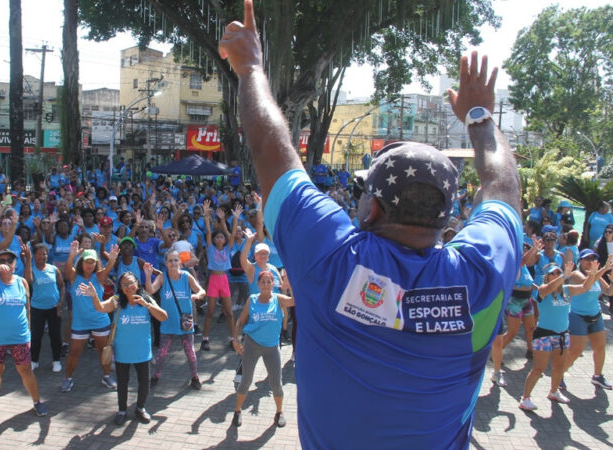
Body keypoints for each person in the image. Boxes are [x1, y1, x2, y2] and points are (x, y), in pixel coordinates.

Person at [218, 4, 522, 446]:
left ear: (371, 210)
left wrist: (249, 68)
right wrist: (479, 119)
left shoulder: (331, 259)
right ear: (444, 216)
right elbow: (504, 185)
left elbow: (269, 145)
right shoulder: (484, 270)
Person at [518, 259, 609, 410]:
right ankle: (525, 398)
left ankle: (554, 392)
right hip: (544, 335)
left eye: (557, 272)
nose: (555, 275)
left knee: (559, 367)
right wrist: (563, 276)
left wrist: (595, 274)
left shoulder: (567, 289)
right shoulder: (542, 290)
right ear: (546, 277)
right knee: (538, 368)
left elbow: (585, 286)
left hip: (562, 335)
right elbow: (547, 289)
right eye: (552, 273)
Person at [80, 272, 168, 426]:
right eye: (124, 285)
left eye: (131, 283)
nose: (129, 287)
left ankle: (140, 408)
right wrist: (94, 296)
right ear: (120, 288)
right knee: (122, 383)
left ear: (137, 283)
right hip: (122, 351)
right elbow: (101, 307)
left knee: (144, 383)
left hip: (142, 351)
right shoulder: (117, 300)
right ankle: (122, 411)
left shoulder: (146, 298)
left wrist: (146, 305)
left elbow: (163, 317)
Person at [0, 247, 47, 421]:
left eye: (9, 260)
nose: (6, 263)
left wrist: (28, 329)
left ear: (15, 264)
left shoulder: (21, 282)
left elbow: (27, 307)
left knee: (26, 370)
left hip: (19, 336)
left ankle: (37, 401)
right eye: (2, 260)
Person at [231, 270, 295, 428]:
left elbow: (294, 301)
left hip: (272, 347)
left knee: (276, 383)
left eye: (269, 282)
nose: (266, 285)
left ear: (273, 284)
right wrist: (235, 339)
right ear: (258, 284)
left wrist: (290, 283)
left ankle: (279, 412)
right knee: (245, 381)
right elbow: (240, 321)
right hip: (252, 345)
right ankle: (237, 411)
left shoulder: (278, 299)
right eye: (263, 282)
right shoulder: (252, 300)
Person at [61, 239, 119, 392]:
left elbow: (108, 269)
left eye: (93, 262)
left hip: (99, 320)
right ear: (82, 262)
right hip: (80, 323)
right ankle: (68, 379)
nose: (90, 264)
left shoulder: (98, 276)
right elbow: (67, 272)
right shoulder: (74, 277)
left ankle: (106, 376)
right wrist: (71, 256)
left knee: (103, 350)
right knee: (74, 352)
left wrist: (112, 259)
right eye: (87, 261)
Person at [143, 251, 206, 389]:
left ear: (180, 263)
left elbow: (201, 291)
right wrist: (147, 276)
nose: (173, 263)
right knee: (162, 353)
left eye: (176, 260)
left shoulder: (186, 277)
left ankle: (195, 376)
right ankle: (156, 375)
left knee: (190, 352)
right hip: (168, 322)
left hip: (185, 322)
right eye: (170, 261)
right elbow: (150, 290)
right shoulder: (162, 277)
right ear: (166, 263)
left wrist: (197, 296)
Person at [563, 249, 613, 390]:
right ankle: (559, 374)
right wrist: (603, 269)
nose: (590, 261)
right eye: (587, 258)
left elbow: (608, 292)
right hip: (577, 316)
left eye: (593, 259)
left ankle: (598, 376)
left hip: (595, 315)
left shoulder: (597, 277)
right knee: (576, 350)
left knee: (600, 348)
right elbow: (586, 285)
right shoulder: (576, 274)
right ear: (580, 261)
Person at [200, 199, 240, 351]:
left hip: (224, 280)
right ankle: (205, 338)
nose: (219, 239)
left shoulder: (228, 248)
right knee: (210, 312)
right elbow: (209, 231)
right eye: (217, 237)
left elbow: (233, 235)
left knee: (229, 312)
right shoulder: (210, 249)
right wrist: (206, 215)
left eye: (221, 237)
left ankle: (232, 338)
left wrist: (234, 219)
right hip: (213, 280)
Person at [24, 243, 65, 373]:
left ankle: (56, 361)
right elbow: (28, 280)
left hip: (54, 307)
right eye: (40, 254)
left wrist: (61, 302)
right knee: (36, 336)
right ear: (35, 256)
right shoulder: (32, 269)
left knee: (55, 336)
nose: (43, 256)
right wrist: (28, 260)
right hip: (37, 308)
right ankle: (34, 361)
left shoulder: (54, 269)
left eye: (45, 254)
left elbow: (62, 286)